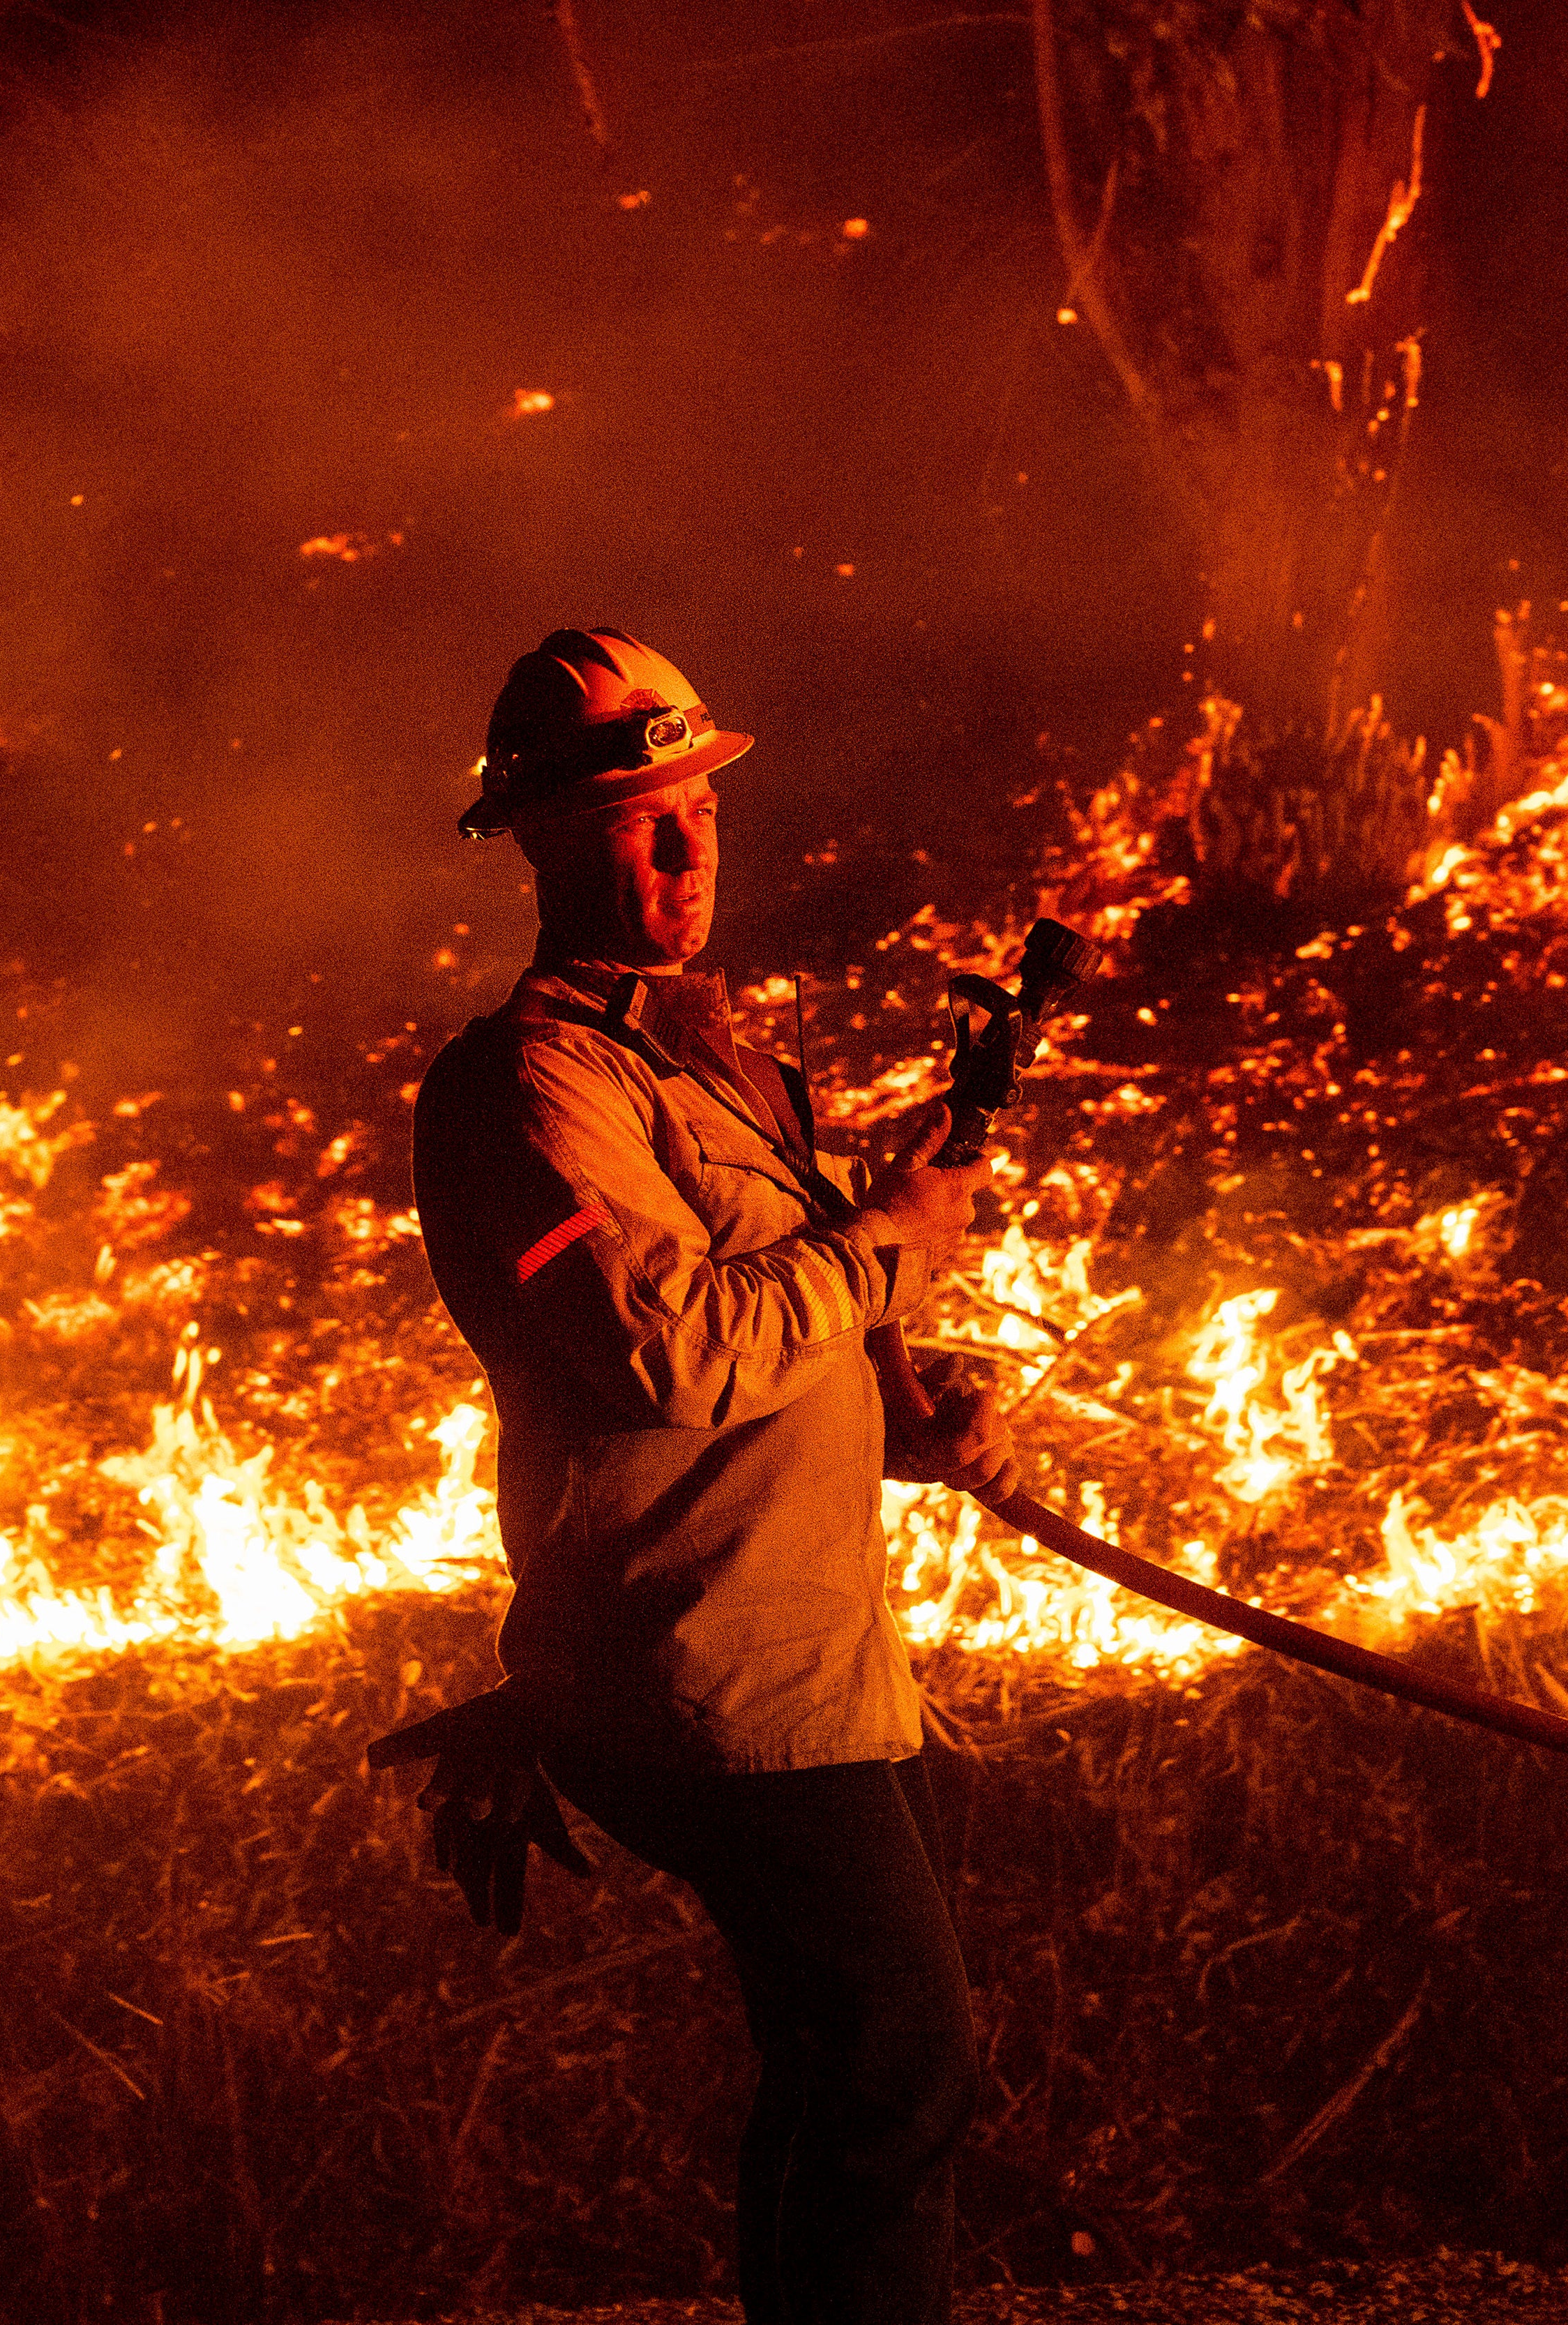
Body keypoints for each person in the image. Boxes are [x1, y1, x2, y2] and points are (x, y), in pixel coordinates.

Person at [371, 627, 1015, 2325]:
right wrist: (880, 1250)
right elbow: (666, 1354)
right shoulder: (530, 1088)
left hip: (817, 1650)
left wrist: (905, 1421)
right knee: (899, 2055)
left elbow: (758, 1355)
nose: (682, 849)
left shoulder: (707, 1066)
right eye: (631, 820)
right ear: (539, 842)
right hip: (706, 1675)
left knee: (842, 2065)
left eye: (697, 810)